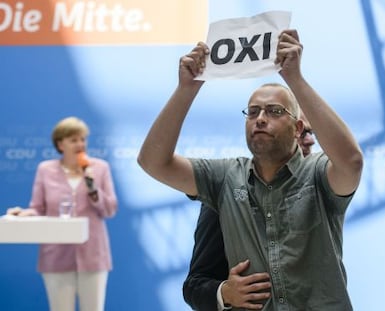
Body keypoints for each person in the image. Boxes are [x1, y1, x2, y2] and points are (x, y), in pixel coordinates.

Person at [138, 29, 363, 310]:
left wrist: (294, 78)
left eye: (274, 111)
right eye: (253, 111)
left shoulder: (319, 174)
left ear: (297, 129)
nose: (260, 119)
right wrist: (186, 89)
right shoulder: (224, 177)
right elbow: (153, 162)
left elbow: (351, 161)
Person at [183, 111, 316, 311]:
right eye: (301, 131)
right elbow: (194, 286)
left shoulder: (321, 189)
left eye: (310, 132)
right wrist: (225, 293)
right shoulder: (228, 190)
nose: (311, 140)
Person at [7, 116, 118, 311]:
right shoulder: (46, 170)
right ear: (60, 144)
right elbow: (38, 208)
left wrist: (93, 188)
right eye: (73, 139)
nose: (80, 144)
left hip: (92, 254)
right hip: (56, 256)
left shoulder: (99, 168)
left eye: (83, 139)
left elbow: (109, 210)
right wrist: (23, 214)